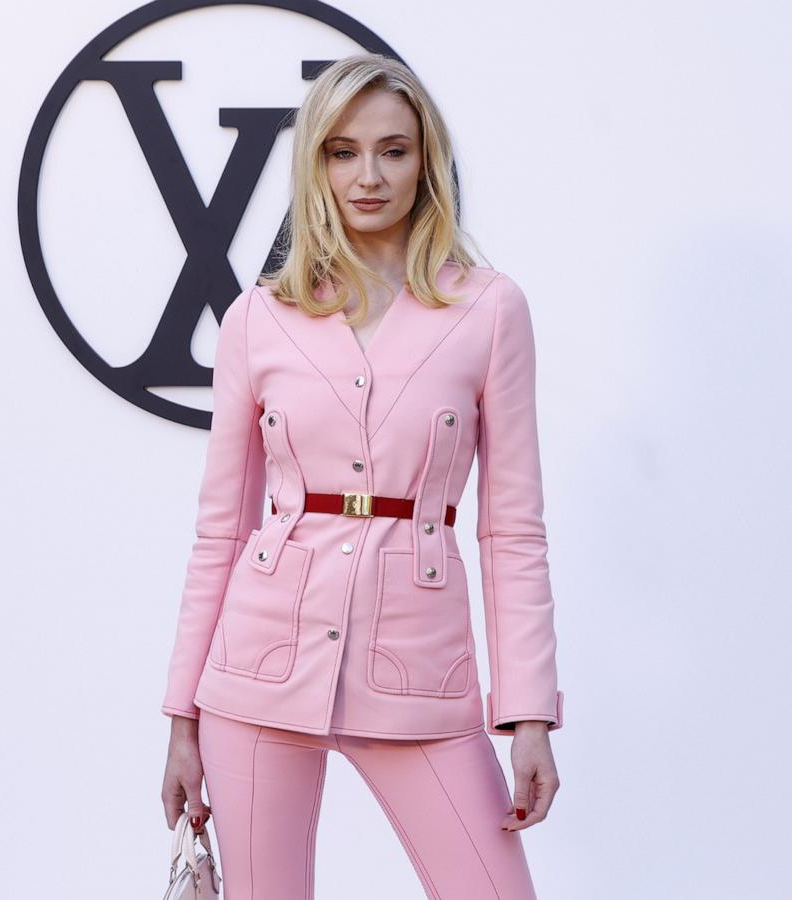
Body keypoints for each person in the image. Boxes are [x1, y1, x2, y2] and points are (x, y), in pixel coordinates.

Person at [159, 52, 564, 900]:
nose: (368, 176)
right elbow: (220, 531)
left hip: (420, 673)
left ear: (428, 162)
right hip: (257, 671)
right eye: (342, 152)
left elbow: (512, 529)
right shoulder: (256, 318)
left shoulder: (489, 310)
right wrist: (182, 719)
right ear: (315, 163)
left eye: (393, 150)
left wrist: (528, 715)